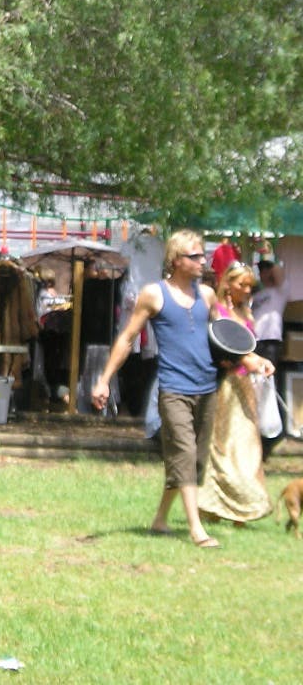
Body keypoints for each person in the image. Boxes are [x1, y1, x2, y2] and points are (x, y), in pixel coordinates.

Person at [92, 230, 273, 548]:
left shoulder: (207, 296)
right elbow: (126, 338)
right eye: (196, 256)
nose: (203, 261)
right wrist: (104, 379)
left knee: (196, 461)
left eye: (203, 255)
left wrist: (253, 360)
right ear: (176, 260)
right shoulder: (154, 294)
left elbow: (225, 338)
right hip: (173, 387)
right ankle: (196, 530)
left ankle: (161, 519)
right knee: (185, 455)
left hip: (207, 387)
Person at [197, 262, 271, 526]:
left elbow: (248, 351)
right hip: (224, 386)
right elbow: (219, 347)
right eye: (242, 285)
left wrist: (261, 361)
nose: (247, 290)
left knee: (248, 446)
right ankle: (214, 506)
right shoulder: (215, 311)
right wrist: (239, 360)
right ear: (228, 284)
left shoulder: (247, 313)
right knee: (221, 445)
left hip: (244, 387)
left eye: (250, 286)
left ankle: (245, 508)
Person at [252, 251, 288, 456]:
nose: (265, 272)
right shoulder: (256, 294)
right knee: (256, 388)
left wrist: (268, 251)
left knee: (268, 385)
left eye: (267, 269)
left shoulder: (280, 290)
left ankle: (272, 434)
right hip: (255, 342)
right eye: (261, 269)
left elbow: (279, 271)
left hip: (271, 341)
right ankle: (260, 431)